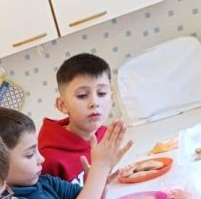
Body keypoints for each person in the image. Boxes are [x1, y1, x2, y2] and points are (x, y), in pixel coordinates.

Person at [0, 105, 128, 199]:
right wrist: (99, 169)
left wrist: (99, 182)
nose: (41, 159)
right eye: (30, 154)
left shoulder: (46, 182)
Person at [38, 52, 132, 183]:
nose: (94, 103)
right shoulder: (48, 159)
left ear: (111, 99)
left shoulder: (106, 136)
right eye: (82, 95)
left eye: (101, 93)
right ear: (63, 105)